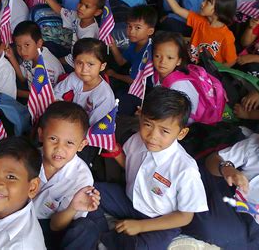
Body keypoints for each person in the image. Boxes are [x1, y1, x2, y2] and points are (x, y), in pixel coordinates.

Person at [74, 87, 208, 249]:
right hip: (129, 200)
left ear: (181, 133)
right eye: (148, 125)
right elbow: (131, 165)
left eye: (164, 131)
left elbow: (185, 216)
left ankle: (118, 240)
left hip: (159, 219)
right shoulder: (137, 140)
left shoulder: (186, 169)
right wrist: (116, 152)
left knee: (144, 247)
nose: (152, 136)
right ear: (141, 118)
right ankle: (103, 234)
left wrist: (141, 226)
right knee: (87, 191)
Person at [185, 101, 259, 249]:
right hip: (234, 206)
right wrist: (227, 168)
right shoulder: (253, 145)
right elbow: (214, 160)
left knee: (212, 228)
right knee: (195, 173)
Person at [34, 101, 100, 248]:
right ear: (41, 135)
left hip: (51, 227)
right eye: (53, 139)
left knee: (86, 229)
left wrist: (72, 207)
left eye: (69, 143)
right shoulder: (27, 159)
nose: (59, 148)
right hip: (20, 220)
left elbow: (55, 226)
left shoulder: (82, 178)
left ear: (81, 145)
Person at [158, 0, 237, 66]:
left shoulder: (226, 36)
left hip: (205, 74)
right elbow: (177, 9)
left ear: (219, 10)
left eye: (208, 2)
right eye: (205, 0)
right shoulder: (200, 21)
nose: (202, 3)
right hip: (191, 64)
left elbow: (231, 61)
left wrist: (214, 73)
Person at [152, 31, 224, 125]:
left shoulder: (178, 86)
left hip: (193, 122)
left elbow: (189, 115)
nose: (162, 62)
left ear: (179, 61)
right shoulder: (156, 74)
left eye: (169, 58)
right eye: (157, 56)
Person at [38, 0, 105, 65]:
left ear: (97, 12)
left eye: (87, 6)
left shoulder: (89, 34)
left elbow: (76, 58)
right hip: (71, 51)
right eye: (80, 2)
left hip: (77, 62)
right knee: (48, 46)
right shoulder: (78, 16)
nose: (81, 8)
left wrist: (55, 62)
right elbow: (61, 11)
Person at [54, 38, 115, 126]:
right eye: (79, 63)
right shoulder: (74, 77)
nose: (84, 70)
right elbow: (56, 93)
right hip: (69, 120)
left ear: (102, 66)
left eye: (90, 64)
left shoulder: (105, 96)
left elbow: (94, 126)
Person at [6, 21, 64, 99]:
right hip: (33, 96)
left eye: (27, 45)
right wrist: (11, 57)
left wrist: (13, 92)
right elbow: (23, 78)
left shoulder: (46, 67)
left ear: (39, 43)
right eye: (18, 46)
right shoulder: (30, 55)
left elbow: (42, 97)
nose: (22, 51)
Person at [108, 5, 157, 86]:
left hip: (145, 88)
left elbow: (134, 81)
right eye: (129, 26)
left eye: (137, 28)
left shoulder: (147, 52)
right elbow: (122, 62)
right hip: (132, 74)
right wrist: (113, 46)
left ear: (150, 31)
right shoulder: (134, 42)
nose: (131, 31)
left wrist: (114, 75)